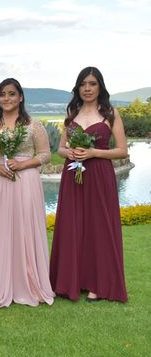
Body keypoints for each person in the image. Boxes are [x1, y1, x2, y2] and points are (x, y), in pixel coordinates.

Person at [0, 78, 55, 308]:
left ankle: (26, 282)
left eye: (12, 94)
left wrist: (23, 165)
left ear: (21, 97)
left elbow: (45, 153)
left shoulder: (33, 125)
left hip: (26, 181)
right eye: (3, 94)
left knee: (24, 226)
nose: (7, 98)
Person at [50, 67, 128, 302]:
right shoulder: (72, 112)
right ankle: (69, 281)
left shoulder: (111, 113)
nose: (87, 88)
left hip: (99, 176)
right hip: (73, 176)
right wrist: (70, 153)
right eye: (83, 84)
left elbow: (122, 150)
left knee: (98, 227)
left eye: (92, 84)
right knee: (72, 225)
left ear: (100, 87)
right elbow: (61, 148)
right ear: (78, 87)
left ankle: (98, 284)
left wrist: (94, 152)